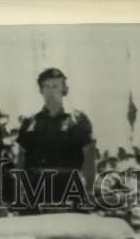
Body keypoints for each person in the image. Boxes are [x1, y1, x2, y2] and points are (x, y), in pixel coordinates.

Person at [16, 67, 96, 210]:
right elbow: (21, 159)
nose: (50, 91)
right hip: (35, 191)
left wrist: (89, 190)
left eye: (55, 86)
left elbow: (89, 159)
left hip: (69, 190)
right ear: (41, 90)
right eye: (46, 86)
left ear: (64, 89)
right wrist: (19, 191)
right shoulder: (30, 122)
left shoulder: (78, 120)